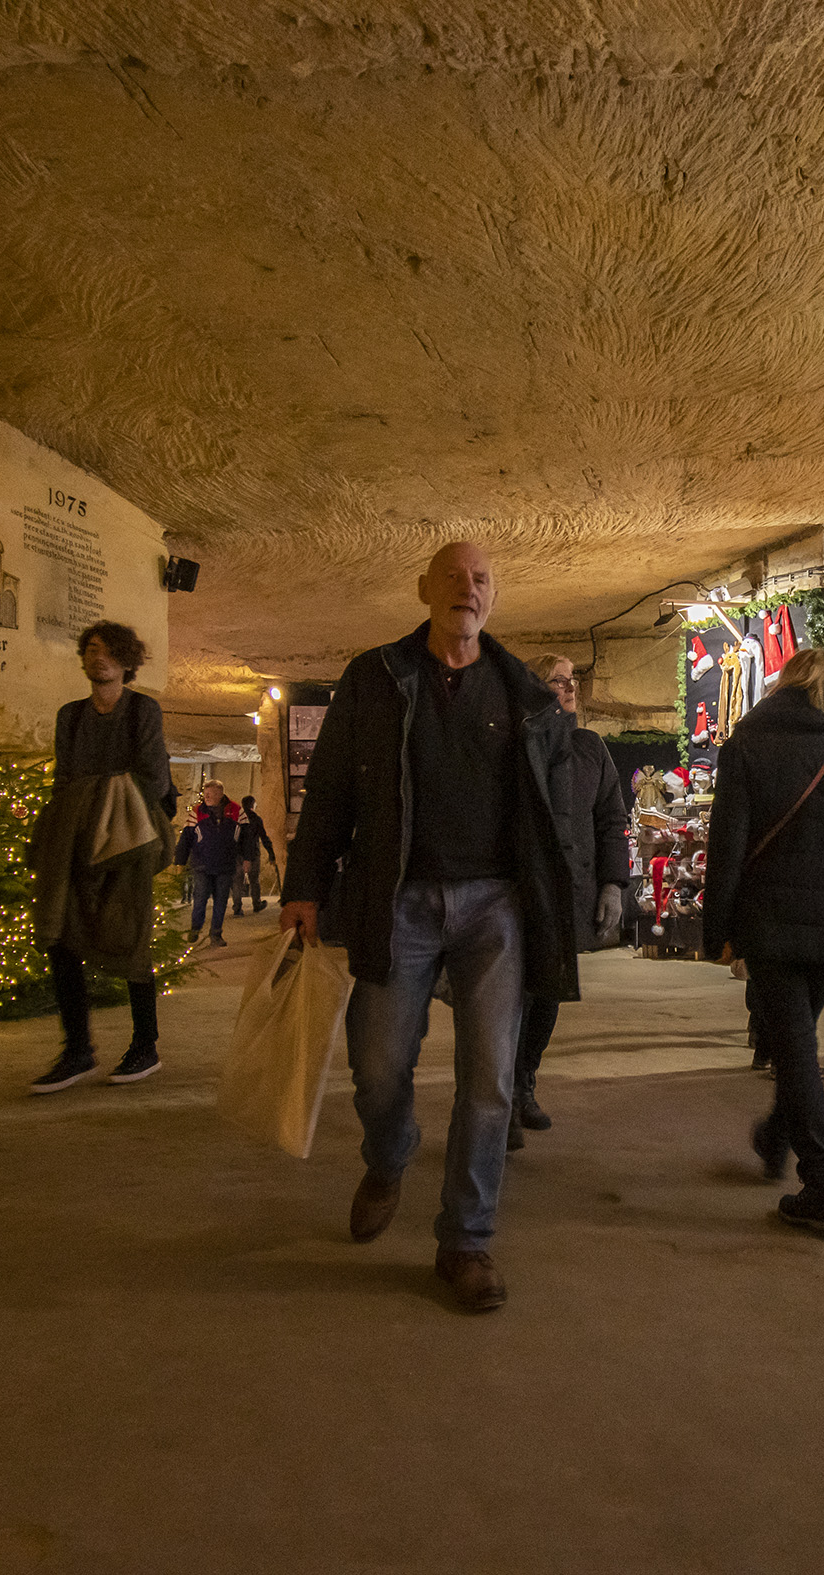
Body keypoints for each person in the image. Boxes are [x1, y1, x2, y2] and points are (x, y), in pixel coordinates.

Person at [282, 542, 578, 1313]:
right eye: (451, 576)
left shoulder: (522, 693)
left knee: (491, 1081)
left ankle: (466, 1239)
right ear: (422, 589)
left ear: (494, 597)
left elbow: (558, 814)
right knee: (378, 1067)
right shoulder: (376, 678)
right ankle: (389, 1155)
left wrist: (572, 895)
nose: (466, 589)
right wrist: (305, 885)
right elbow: (332, 790)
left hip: (495, 906)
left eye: (480, 579)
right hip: (399, 898)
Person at [702, 648, 824, 1239]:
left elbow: (727, 848)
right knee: (796, 1041)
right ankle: (777, 1136)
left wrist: (718, 932)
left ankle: (823, 1186)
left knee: (795, 1047)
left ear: (780, 687)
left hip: (772, 921)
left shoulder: (745, 749)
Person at [28, 621, 176, 1095]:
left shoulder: (141, 711)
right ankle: (77, 1050)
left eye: (109, 651)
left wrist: (109, 809)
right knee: (62, 938)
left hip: (126, 841)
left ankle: (145, 1045)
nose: (99, 658)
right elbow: (63, 779)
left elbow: (154, 776)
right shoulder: (70, 716)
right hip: (74, 840)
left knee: (130, 938)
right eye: (92, 649)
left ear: (127, 662)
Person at [509, 653, 631, 1148]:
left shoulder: (589, 748)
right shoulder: (514, 745)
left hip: (569, 894)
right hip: (517, 894)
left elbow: (610, 820)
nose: (569, 687)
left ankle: (523, 1081)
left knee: (549, 994)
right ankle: (504, 1093)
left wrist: (613, 885)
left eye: (572, 679)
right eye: (557, 680)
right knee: (512, 997)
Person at [176, 779, 244, 945]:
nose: (206, 796)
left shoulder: (236, 811)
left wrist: (247, 858)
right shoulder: (197, 812)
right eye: (205, 793)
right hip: (202, 864)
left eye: (210, 793)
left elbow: (246, 837)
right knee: (199, 898)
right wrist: (180, 861)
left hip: (225, 865)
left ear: (220, 793)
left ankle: (216, 934)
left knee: (221, 901)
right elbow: (186, 838)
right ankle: (195, 928)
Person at [236, 794, 278, 914]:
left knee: (237, 880)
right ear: (253, 805)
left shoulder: (237, 818)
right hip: (253, 852)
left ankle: (237, 907)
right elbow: (264, 837)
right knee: (254, 880)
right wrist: (271, 853)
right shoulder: (256, 819)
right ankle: (256, 903)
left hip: (238, 853)